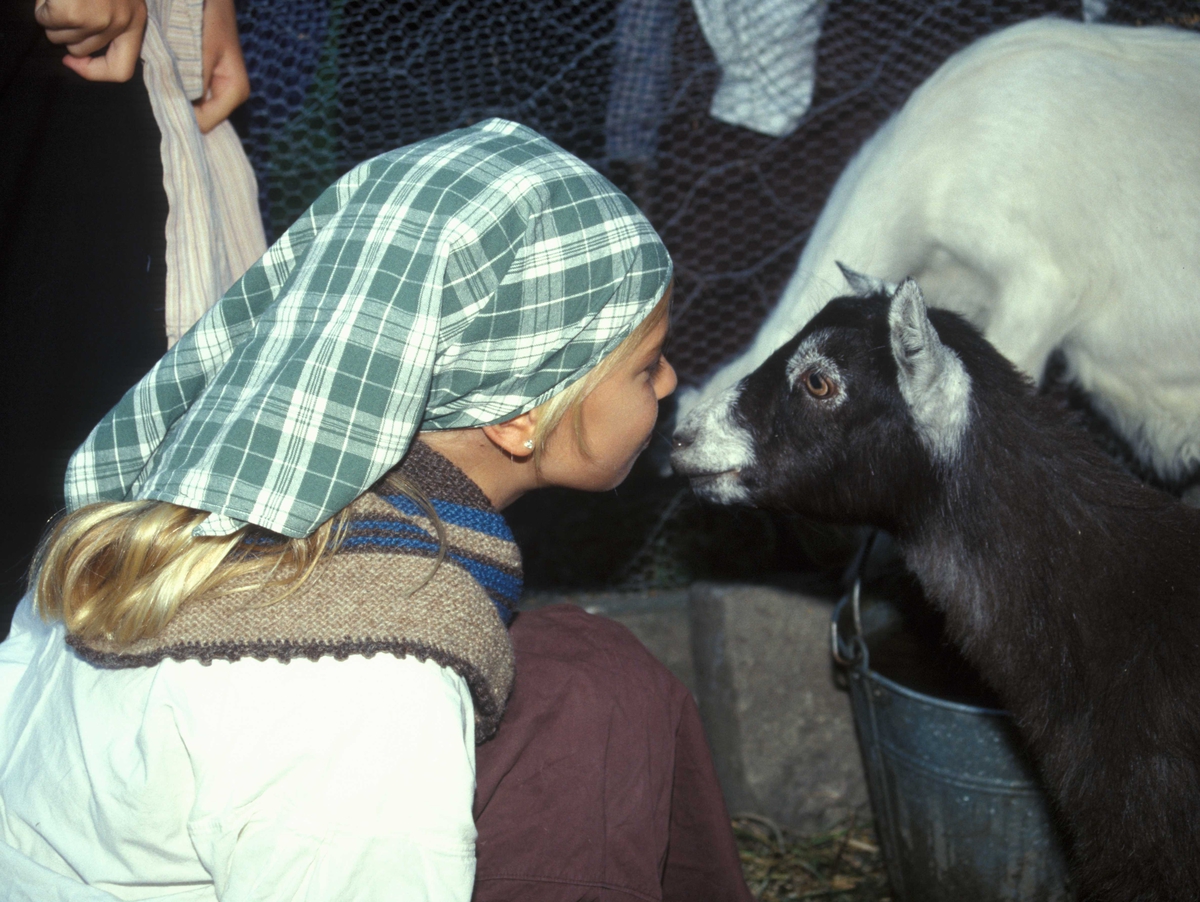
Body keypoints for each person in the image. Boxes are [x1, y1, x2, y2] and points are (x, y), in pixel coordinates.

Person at [0, 119, 752, 901]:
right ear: (518, 414)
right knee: (597, 696)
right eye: (645, 363)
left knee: (582, 665)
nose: (668, 385)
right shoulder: (370, 680)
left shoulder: (181, 497)